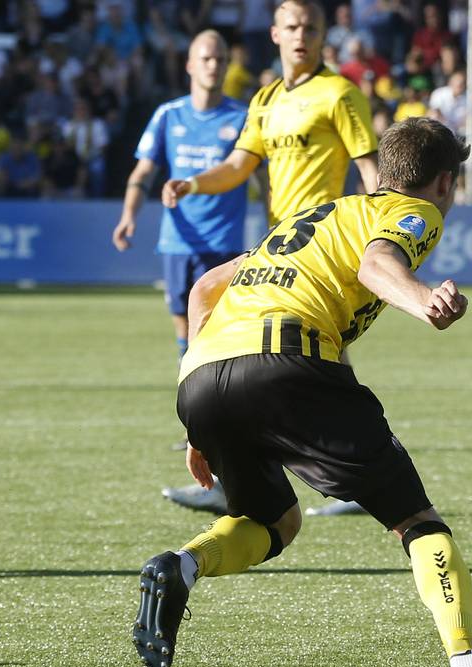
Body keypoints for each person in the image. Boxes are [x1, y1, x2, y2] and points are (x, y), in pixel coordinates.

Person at [130, 117, 472, 667]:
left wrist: (195, 427)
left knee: (276, 522)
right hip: (288, 364)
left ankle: (184, 565)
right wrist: (424, 300)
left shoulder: (320, 215)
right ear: (445, 182)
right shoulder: (416, 212)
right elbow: (377, 266)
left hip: (202, 378)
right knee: (417, 522)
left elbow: (204, 290)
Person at [160, 0, 381, 516]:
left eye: (311, 26)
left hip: (326, 246)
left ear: (324, 36)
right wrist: (193, 182)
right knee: (272, 346)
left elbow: (371, 171)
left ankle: (251, 475)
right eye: (292, 26)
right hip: (277, 248)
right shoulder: (262, 101)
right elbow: (238, 166)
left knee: (263, 349)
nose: (301, 34)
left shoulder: (340, 94)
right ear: (275, 34)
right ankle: (346, 477)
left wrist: (381, 237)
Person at [113, 29, 248, 385]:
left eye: (220, 59)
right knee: (185, 335)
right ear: (190, 64)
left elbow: (259, 177)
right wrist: (129, 215)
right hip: (177, 242)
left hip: (223, 242)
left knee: (218, 336)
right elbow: (143, 170)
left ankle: (218, 422)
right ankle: (194, 423)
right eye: (206, 58)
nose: (214, 66)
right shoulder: (168, 115)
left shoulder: (242, 117)